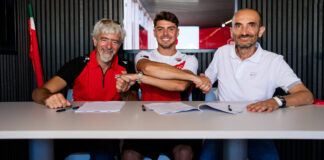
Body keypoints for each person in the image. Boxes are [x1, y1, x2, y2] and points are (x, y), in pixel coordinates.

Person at [198, 8, 314, 160]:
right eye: (238, 25)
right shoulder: (222, 53)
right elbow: (208, 80)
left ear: (261, 31)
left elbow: (306, 96)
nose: (244, 32)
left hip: (258, 127)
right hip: (222, 126)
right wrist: (205, 82)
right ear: (232, 31)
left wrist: (276, 101)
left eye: (251, 25)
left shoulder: (274, 61)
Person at [32, 18, 139, 159]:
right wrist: (48, 98)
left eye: (115, 42)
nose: (109, 46)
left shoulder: (127, 66)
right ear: (95, 41)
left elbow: (136, 104)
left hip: (109, 129)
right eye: (104, 39)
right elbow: (38, 92)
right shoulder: (78, 64)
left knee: (103, 154)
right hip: (77, 127)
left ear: (119, 45)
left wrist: (124, 93)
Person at [116, 11, 210, 160]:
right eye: (160, 29)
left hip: (179, 122)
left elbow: (179, 86)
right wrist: (192, 76)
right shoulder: (143, 56)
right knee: (128, 155)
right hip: (146, 122)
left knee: (184, 153)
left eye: (170, 29)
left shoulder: (189, 59)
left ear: (177, 32)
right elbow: (147, 68)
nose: (165, 33)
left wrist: (140, 77)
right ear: (154, 32)